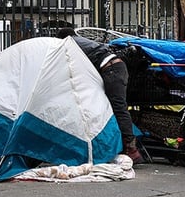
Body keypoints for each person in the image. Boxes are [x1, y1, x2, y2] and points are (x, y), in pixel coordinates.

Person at [56, 27, 144, 164]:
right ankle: (122, 146)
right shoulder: (84, 42)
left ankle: (132, 150)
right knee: (112, 107)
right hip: (117, 67)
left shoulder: (69, 43)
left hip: (111, 70)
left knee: (118, 108)